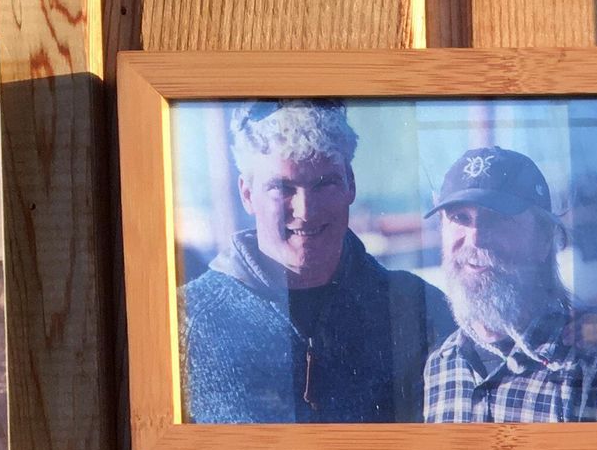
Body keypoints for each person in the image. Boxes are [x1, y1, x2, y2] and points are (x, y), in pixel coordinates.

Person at [178, 100, 445, 424]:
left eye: (324, 184)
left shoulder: (420, 309)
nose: (306, 211)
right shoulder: (184, 322)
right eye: (282, 187)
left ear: (350, 184)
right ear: (247, 194)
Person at [418, 147, 597, 425]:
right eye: (460, 218)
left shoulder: (590, 366)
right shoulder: (440, 366)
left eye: (496, 217)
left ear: (544, 239)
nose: (475, 238)